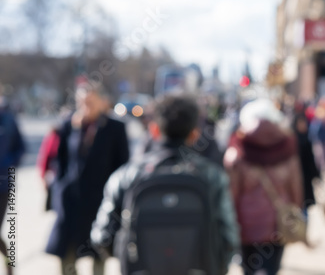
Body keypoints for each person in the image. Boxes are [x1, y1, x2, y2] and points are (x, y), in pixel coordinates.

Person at [91, 94, 239, 275]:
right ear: (195, 134)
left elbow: (102, 236)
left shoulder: (126, 175)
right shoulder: (212, 176)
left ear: (154, 130)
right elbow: (229, 237)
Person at [45, 86, 130, 275]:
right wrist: (59, 190)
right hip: (72, 201)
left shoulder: (115, 127)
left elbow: (122, 164)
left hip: (99, 200)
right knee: (66, 252)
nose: (86, 106)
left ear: (102, 102)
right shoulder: (70, 125)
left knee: (98, 252)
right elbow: (60, 161)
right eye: (82, 102)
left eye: (90, 102)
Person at [224, 99, 303, 275]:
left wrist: (230, 223)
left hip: (246, 224)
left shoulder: (237, 148)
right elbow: (295, 186)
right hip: (278, 222)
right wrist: (296, 210)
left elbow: (232, 193)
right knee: (271, 268)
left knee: (249, 268)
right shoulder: (287, 145)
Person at [0, 101, 25, 275]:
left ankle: (9, 264)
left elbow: (20, 148)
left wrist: (8, 164)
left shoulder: (8, 120)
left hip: (2, 185)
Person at [293, 111, 321, 214]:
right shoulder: (294, 142)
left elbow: (311, 161)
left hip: (305, 179)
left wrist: (316, 175)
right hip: (298, 179)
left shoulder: (305, 140)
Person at [309, 105, 325, 171]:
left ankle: (324, 166)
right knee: (319, 155)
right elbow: (313, 132)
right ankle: (319, 168)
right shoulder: (315, 122)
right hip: (318, 141)